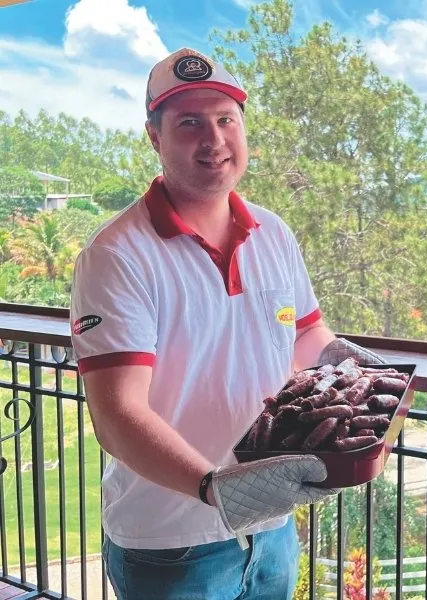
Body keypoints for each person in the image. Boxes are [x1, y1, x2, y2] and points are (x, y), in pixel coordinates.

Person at [69, 47, 383, 600]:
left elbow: (307, 334)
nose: (213, 139)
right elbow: (118, 416)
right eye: (189, 122)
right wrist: (216, 488)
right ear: (154, 137)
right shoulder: (117, 255)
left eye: (225, 120)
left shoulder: (273, 232)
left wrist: (342, 359)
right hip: (172, 542)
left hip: (273, 530)